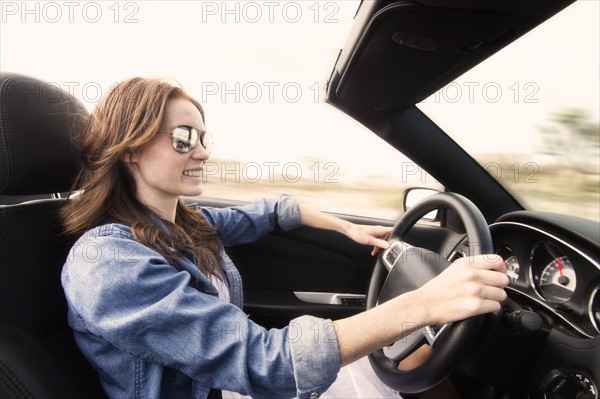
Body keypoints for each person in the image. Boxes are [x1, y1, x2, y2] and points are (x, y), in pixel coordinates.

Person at [60, 77, 509, 399]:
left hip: (232, 385)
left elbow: (272, 211)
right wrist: (424, 304)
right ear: (131, 147)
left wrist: (346, 227)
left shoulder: (186, 224)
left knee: (410, 360)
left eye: (201, 135)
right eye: (182, 138)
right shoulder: (107, 261)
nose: (202, 150)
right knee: (408, 349)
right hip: (233, 384)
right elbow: (263, 363)